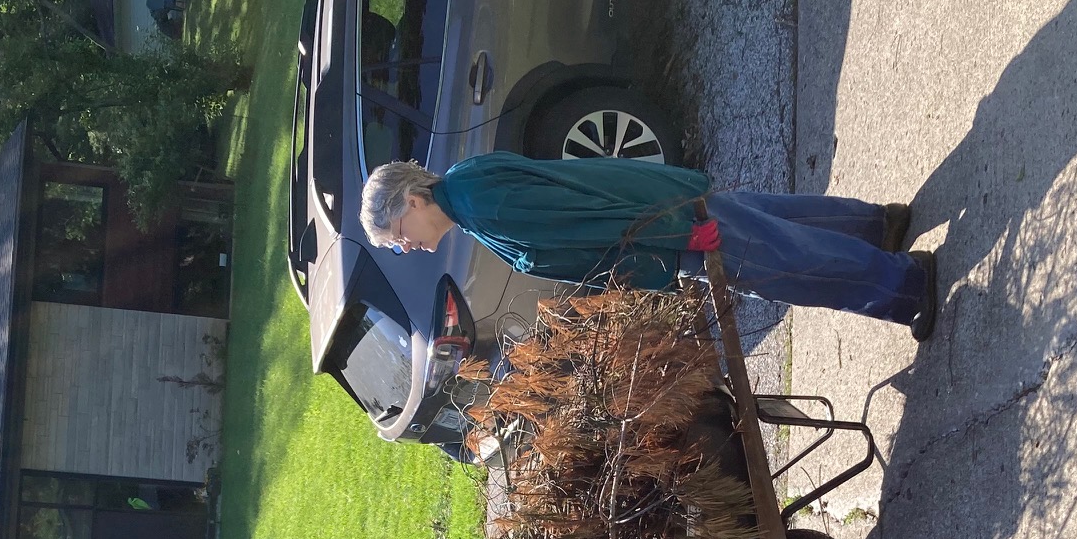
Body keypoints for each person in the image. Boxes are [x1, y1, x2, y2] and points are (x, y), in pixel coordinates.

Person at [359, 153, 943, 339]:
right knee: (770, 220)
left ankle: (906, 285)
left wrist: (679, 233)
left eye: (398, 238)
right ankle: (879, 229)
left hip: (667, 224)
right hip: (664, 210)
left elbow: (584, 218)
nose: (406, 249)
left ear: (411, 202)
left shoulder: (482, 205)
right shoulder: (467, 187)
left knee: (785, 267)